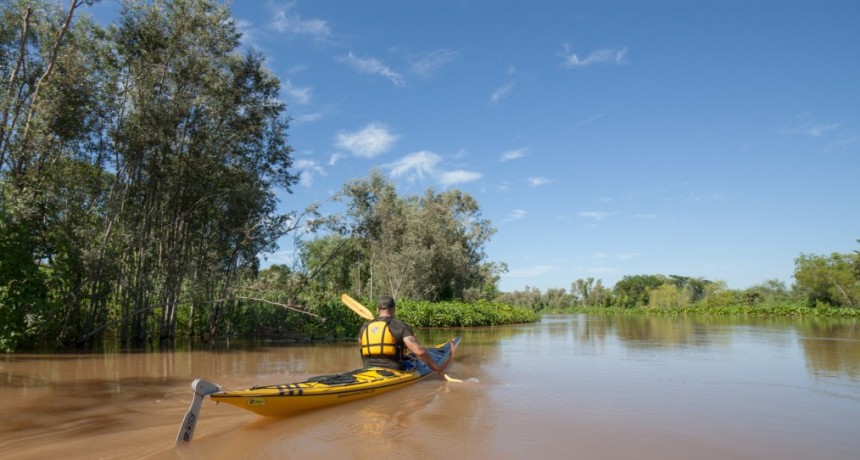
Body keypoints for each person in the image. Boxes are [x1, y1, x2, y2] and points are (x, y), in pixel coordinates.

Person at [358, 296, 444, 374]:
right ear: (394, 309)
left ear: (377, 309)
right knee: (414, 359)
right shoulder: (400, 326)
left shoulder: (365, 326)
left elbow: (362, 345)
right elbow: (419, 351)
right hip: (394, 370)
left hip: (368, 368)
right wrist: (436, 367)